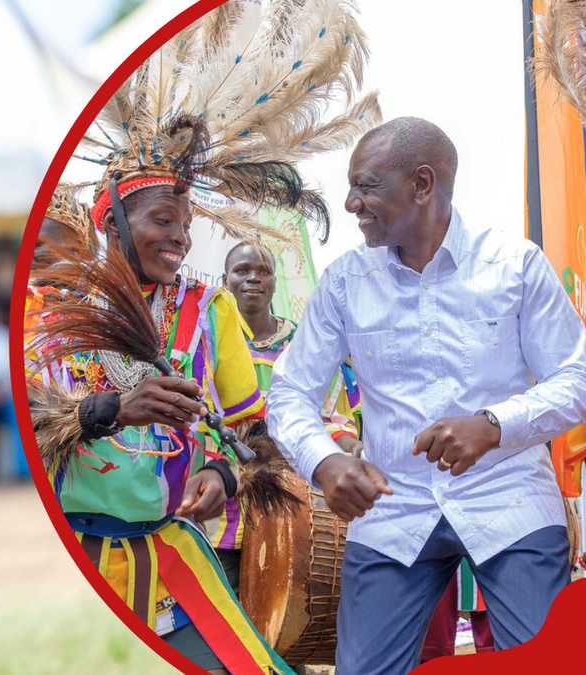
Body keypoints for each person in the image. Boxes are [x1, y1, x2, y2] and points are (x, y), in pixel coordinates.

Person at [268, 117, 586, 673]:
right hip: (392, 509)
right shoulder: (344, 282)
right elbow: (289, 392)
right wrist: (323, 462)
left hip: (508, 501)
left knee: (551, 662)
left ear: (422, 184)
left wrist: (494, 425)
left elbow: (577, 378)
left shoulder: (513, 265)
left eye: (366, 185)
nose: (350, 203)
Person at [214, 241, 361, 590]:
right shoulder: (206, 342)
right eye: (242, 271)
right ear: (225, 280)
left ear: (275, 283)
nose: (253, 279)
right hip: (224, 502)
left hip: (294, 506)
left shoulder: (301, 345)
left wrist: (349, 446)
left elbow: (329, 416)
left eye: (263, 272)